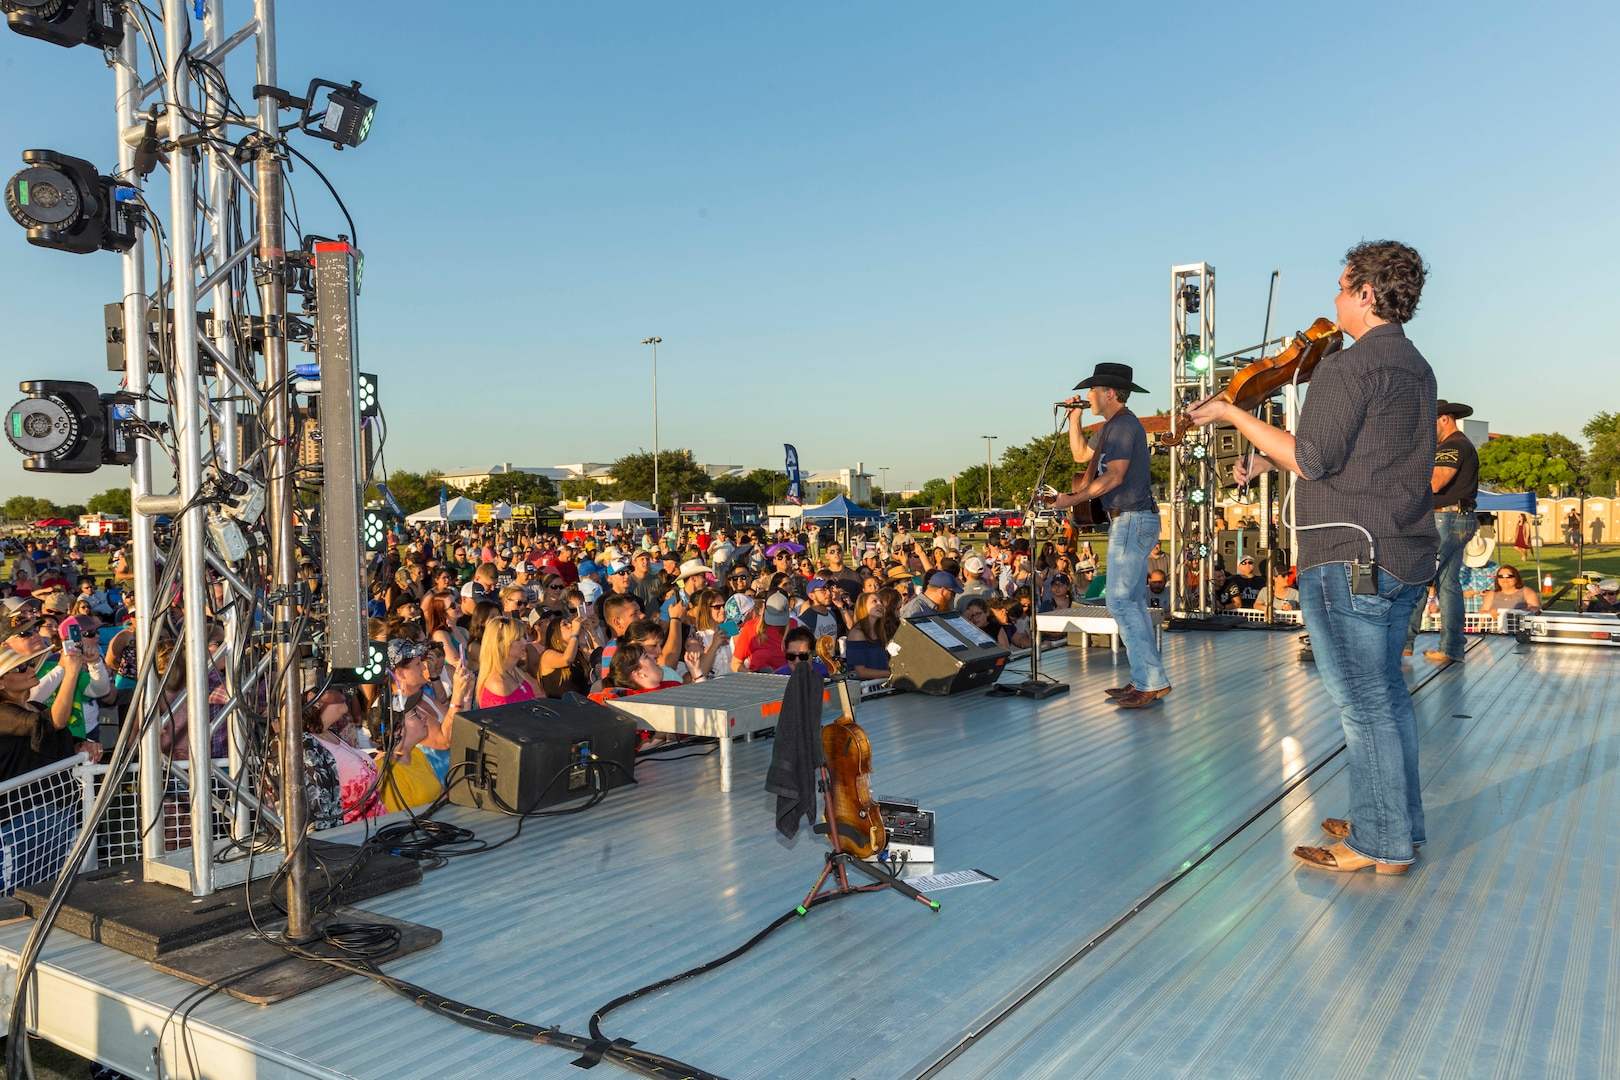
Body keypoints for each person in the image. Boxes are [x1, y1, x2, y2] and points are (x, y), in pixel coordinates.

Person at [1188, 240, 1437, 874]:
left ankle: (1380, 844)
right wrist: (1265, 451)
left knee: (1365, 701)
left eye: (1341, 285)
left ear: (1366, 294)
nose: (1333, 297)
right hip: (1403, 550)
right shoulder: (1415, 365)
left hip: (1347, 551)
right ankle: (1394, 822)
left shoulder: (1347, 367)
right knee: (1387, 698)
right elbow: (1355, 456)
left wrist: (1231, 414)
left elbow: (1315, 460)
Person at [1050, 361, 1169, 709]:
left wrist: (1071, 499)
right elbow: (1081, 455)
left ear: (1109, 393)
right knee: (1129, 604)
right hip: (1129, 520)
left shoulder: (1124, 427)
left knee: (1119, 602)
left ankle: (1151, 680)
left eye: (1092, 390)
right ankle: (1148, 680)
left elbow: (1113, 477)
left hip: (1132, 519)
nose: (1087, 396)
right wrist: (1074, 420)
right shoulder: (1111, 428)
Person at [1404, 399, 1480, 666]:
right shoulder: (1458, 444)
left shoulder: (1453, 446)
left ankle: (1403, 644)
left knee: (1420, 579)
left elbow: (1436, 483)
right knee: (1447, 585)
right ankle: (1451, 648)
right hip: (1456, 519)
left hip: (1446, 519)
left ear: (1444, 419)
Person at [475, 614, 538, 708]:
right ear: (500, 645)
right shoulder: (497, 684)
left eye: (524, 637)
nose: (525, 642)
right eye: (517, 639)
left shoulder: (517, 673)